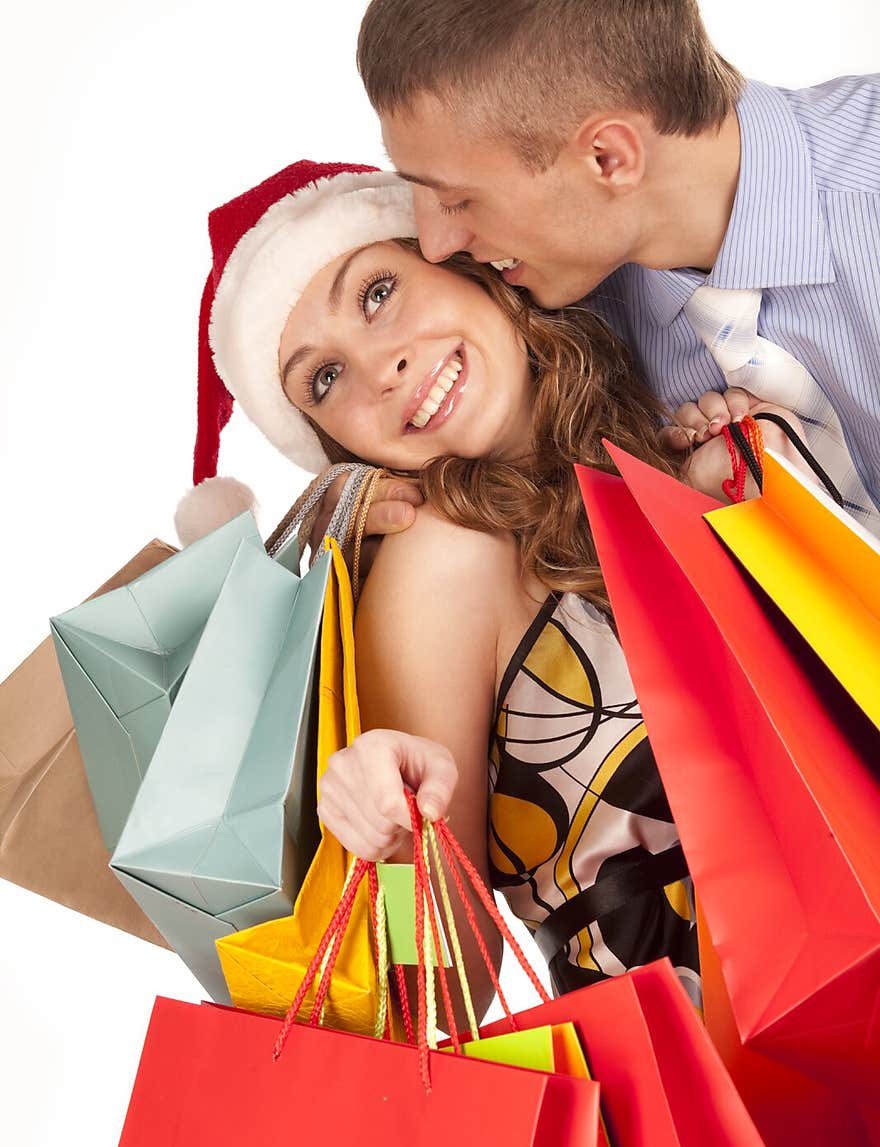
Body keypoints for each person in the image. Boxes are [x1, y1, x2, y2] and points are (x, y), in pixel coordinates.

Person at [181, 159, 805, 1021]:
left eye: (377, 293)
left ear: (464, 259)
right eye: (323, 380)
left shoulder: (654, 400)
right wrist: (401, 855)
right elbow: (437, 992)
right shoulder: (439, 563)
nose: (382, 367)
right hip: (710, 1089)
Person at [355, 0, 880, 538]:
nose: (437, 245)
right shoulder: (563, 325)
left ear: (608, 158)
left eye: (460, 200)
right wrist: (351, 507)